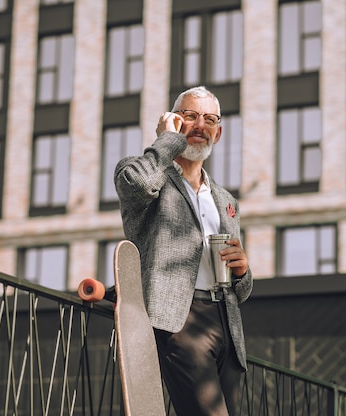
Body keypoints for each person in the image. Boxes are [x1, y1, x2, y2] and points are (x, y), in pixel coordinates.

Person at [114, 85, 253, 415]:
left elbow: (242, 292)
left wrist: (243, 271)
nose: (199, 125)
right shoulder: (144, 172)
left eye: (209, 119)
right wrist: (166, 143)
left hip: (226, 324)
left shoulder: (226, 201)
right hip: (179, 319)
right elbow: (137, 185)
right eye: (189, 116)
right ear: (172, 123)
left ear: (217, 134)